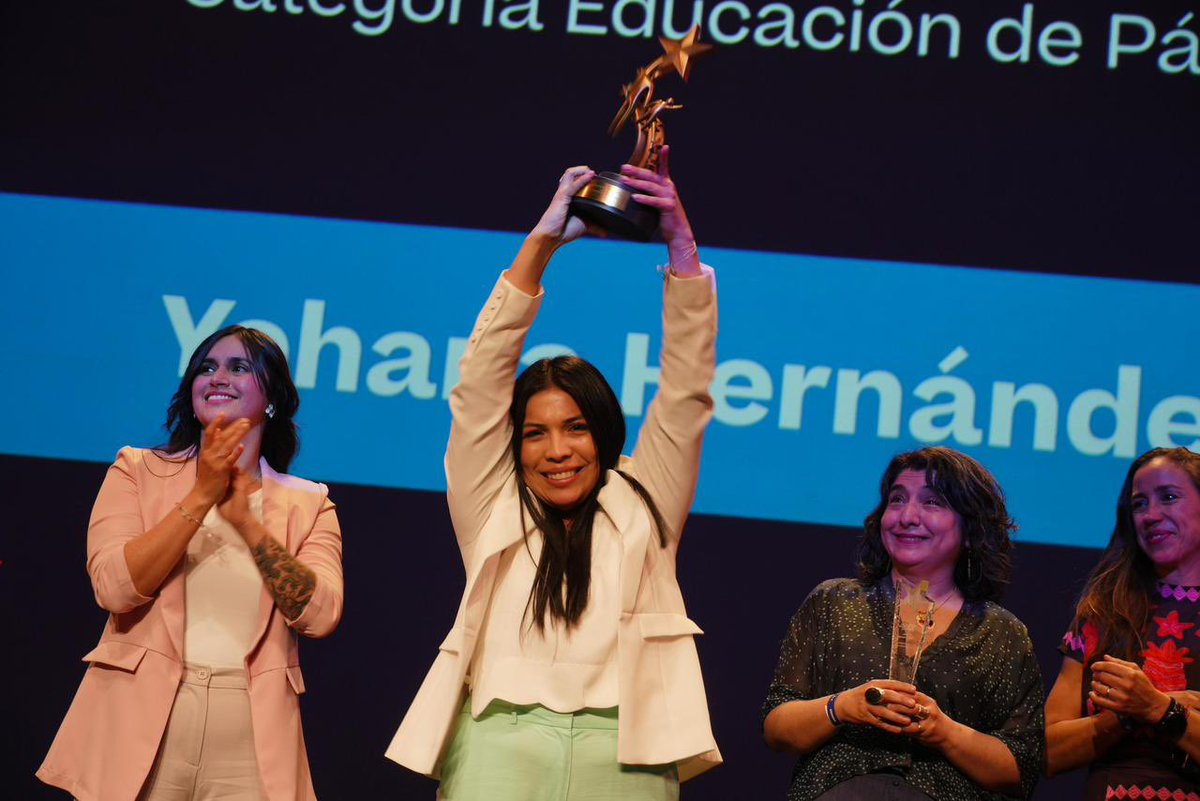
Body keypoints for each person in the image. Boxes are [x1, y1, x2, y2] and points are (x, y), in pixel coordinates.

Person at [385, 148, 721, 799]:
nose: (557, 449)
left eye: (575, 428)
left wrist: (681, 243)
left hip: (628, 748)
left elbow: (687, 386)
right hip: (499, 742)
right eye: (535, 433)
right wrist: (542, 244)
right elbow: (480, 384)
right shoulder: (492, 503)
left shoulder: (645, 494)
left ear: (602, 433)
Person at [38, 326, 344, 801]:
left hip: (248, 733)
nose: (218, 376)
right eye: (207, 367)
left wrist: (249, 524)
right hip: (141, 720)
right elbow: (114, 588)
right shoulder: (136, 472)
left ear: (272, 399)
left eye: (238, 367)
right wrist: (202, 496)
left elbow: (320, 616)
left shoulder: (310, 504)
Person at [762, 447, 1044, 801]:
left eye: (932, 503)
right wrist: (842, 707)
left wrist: (942, 731)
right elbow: (776, 727)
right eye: (897, 500)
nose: (907, 516)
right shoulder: (833, 602)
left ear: (971, 529)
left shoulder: (1001, 634)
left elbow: (1019, 770)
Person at [1045, 447, 1200, 797]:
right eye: (1139, 504)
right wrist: (1128, 715)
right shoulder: (1103, 613)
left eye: (1169, 497)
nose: (1150, 515)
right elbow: (1049, 752)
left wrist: (1159, 708)